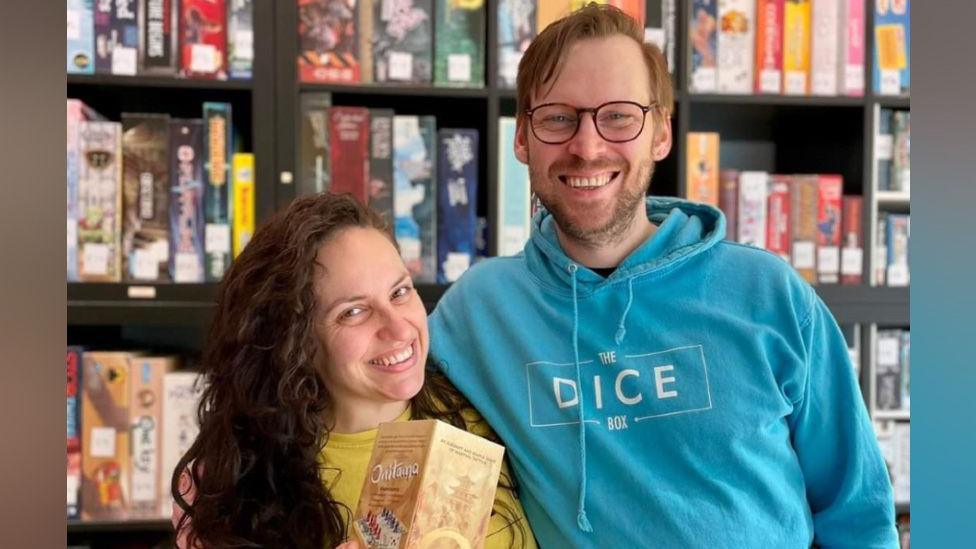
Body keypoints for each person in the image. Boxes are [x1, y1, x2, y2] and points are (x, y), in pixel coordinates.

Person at [428, 4, 898, 547]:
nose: (587, 145)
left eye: (620, 115)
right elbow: (366, 412)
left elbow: (858, 513)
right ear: (522, 138)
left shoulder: (770, 295)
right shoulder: (478, 314)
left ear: (660, 135)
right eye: (558, 116)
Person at [171, 193, 536, 548]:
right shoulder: (236, 489)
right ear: (296, 341)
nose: (399, 328)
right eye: (353, 312)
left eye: (399, 292)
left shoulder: (484, 410)